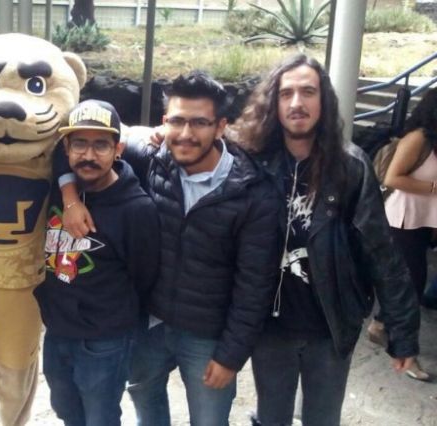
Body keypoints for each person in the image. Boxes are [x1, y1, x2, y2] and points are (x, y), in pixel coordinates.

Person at [63, 71, 282, 426]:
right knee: (146, 407)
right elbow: (73, 148)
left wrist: (232, 354)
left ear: (221, 126)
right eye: (177, 121)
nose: (186, 134)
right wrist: (69, 196)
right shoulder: (150, 158)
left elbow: (255, 284)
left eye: (199, 123)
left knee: (209, 420)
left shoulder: (252, 193)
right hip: (148, 323)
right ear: (164, 122)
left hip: (207, 335)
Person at [229, 54, 420, 426]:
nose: (297, 103)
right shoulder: (250, 160)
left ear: (324, 100)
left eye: (307, 92)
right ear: (274, 102)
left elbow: (381, 253)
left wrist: (403, 332)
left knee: (322, 419)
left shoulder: (351, 166)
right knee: (271, 417)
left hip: (331, 324)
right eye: (286, 94)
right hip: (269, 325)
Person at [35, 100, 160, 426]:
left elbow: (144, 275)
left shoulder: (137, 209)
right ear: (67, 148)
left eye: (101, 145)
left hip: (104, 338)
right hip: (57, 331)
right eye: (80, 143)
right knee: (67, 411)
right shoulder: (60, 189)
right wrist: (70, 197)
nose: (88, 155)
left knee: (100, 418)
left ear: (118, 149)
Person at [366, 87, 437, 381]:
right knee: (412, 286)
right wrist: (433, 189)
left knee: (409, 285)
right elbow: (392, 177)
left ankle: (381, 325)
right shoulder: (417, 138)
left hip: (423, 220)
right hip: (400, 220)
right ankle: (406, 354)